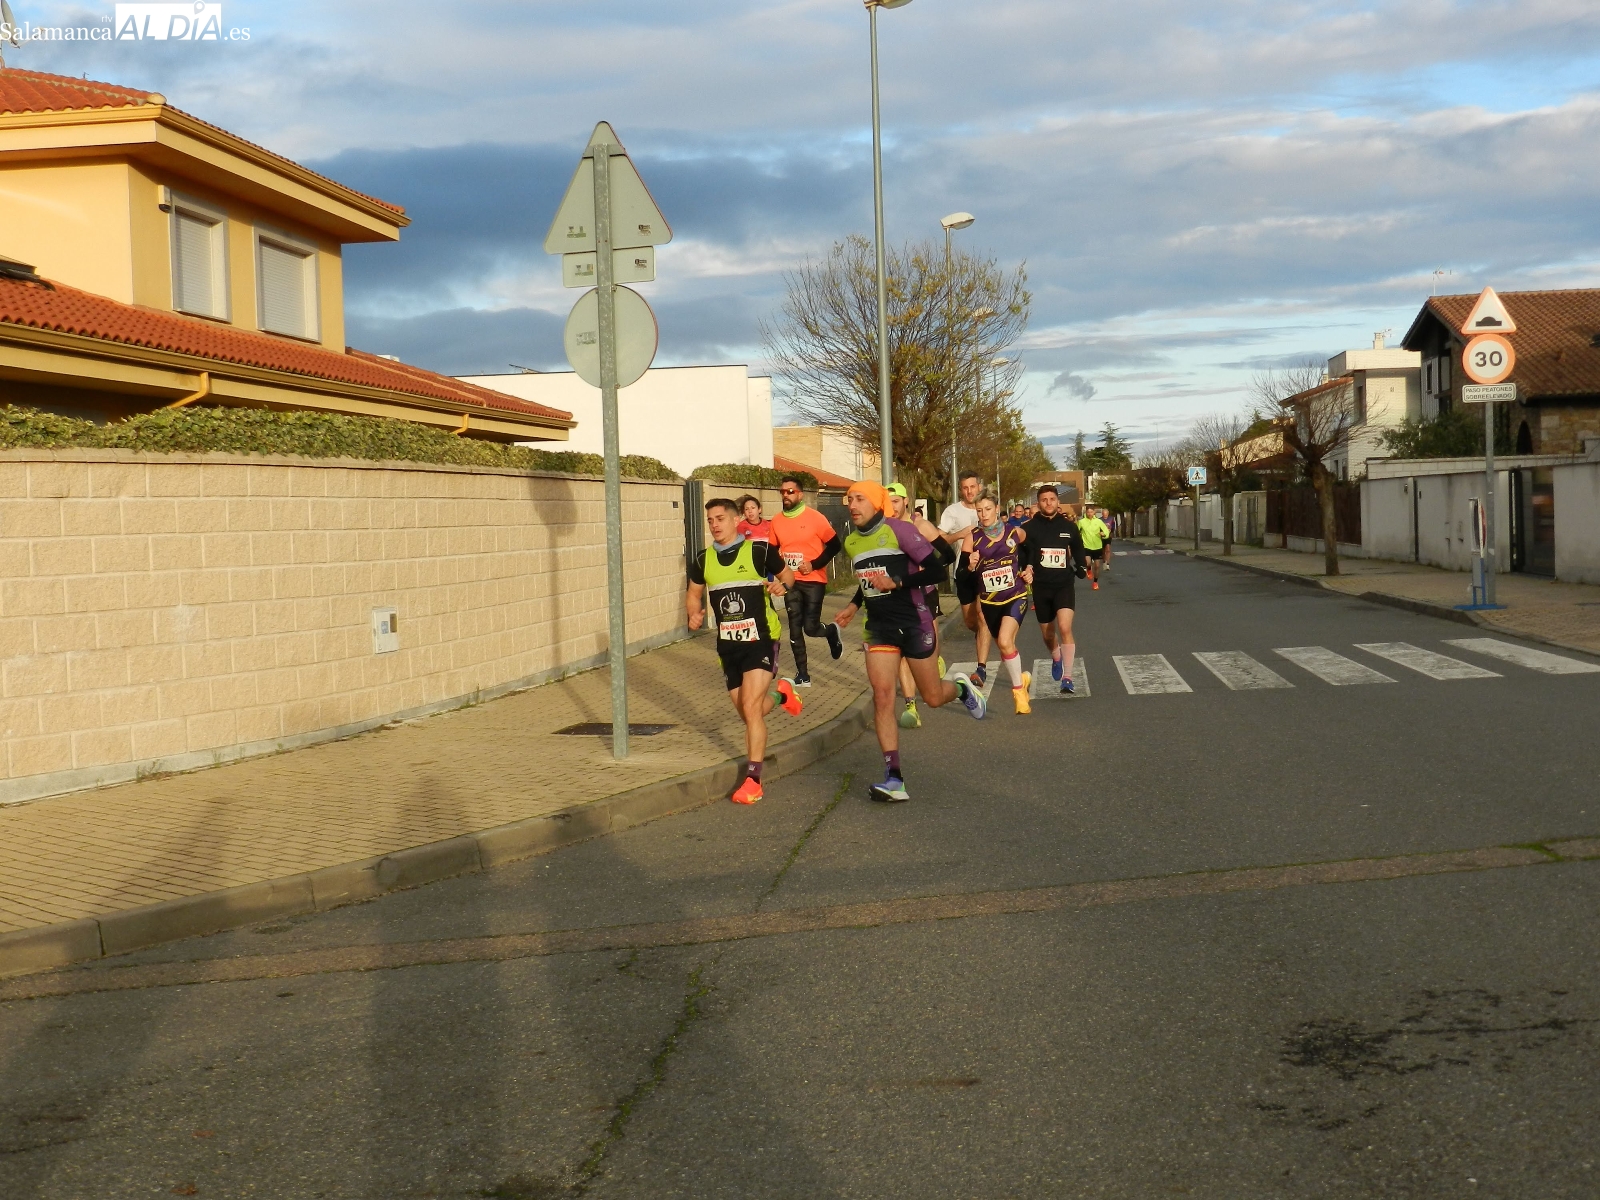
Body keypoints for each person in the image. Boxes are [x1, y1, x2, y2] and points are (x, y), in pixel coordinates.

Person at [833, 480, 984, 802]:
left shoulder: (900, 531)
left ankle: (961, 689)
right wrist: (853, 605)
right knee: (883, 697)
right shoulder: (852, 542)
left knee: (933, 696)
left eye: (859, 499)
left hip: (914, 622)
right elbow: (867, 580)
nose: (852, 505)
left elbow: (936, 571)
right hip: (878, 628)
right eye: (849, 499)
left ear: (876, 503)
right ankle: (894, 779)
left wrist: (898, 582)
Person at [686, 497, 803, 805]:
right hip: (728, 646)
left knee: (751, 708)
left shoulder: (759, 550)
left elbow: (789, 576)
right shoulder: (703, 559)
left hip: (761, 638)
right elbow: (694, 593)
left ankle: (753, 780)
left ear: (736, 519)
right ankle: (782, 695)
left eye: (720, 518)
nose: (714, 525)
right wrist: (693, 613)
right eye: (710, 520)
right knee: (748, 712)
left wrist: (781, 586)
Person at [887, 482, 954, 729]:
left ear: (906, 501)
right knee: (903, 654)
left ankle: (936, 663)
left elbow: (948, 555)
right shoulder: (884, 530)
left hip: (925, 594)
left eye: (895, 501)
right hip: (899, 597)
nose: (891, 507)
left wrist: (928, 567)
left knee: (929, 646)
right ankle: (910, 707)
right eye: (887, 502)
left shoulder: (921, 526)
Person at [961, 492, 1033, 714]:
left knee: (1004, 640)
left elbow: (1030, 550)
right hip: (990, 602)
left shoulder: (1014, 531)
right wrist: (970, 566)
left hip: (1016, 595)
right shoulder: (972, 538)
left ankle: (1019, 695)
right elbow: (962, 575)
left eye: (988, 509)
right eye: (979, 510)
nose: (983, 514)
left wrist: (1029, 569)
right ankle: (1021, 678)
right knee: (1005, 646)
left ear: (996, 508)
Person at [769, 475, 844, 687]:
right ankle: (803, 675)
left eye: (790, 491)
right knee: (794, 629)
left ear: (800, 495)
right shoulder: (776, 521)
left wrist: (814, 564)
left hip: (814, 580)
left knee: (810, 628)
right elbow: (771, 550)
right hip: (791, 582)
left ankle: (830, 631)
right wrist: (779, 570)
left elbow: (835, 545)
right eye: (782, 492)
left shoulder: (815, 518)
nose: (785, 495)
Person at [1022, 485, 1087, 694]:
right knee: (1049, 634)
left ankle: (1068, 677)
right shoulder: (1029, 528)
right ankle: (1056, 656)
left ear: (1058, 501)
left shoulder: (1068, 526)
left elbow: (1078, 548)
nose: (1048, 503)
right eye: (1044, 500)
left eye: (1052, 499)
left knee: (1065, 627)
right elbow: (1022, 554)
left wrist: (1081, 566)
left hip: (1063, 584)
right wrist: (1025, 569)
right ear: (1038, 503)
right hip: (1041, 586)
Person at [937, 472, 987, 683]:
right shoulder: (953, 511)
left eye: (972, 487)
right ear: (961, 489)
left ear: (979, 487)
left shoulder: (987, 506)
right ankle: (982, 635)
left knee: (982, 616)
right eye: (965, 488)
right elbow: (939, 539)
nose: (969, 491)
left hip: (986, 570)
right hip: (964, 570)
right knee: (971, 622)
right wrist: (961, 533)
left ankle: (981, 666)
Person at [1078, 505, 1111, 590]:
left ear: (1094, 512)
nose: (1089, 514)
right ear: (1086, 512)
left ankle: (1095, 582)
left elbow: (1106, 531)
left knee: (1097, 566)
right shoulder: (1081, 522)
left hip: (1097, 546)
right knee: (1088, 562)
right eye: (1088, 512)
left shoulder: (1099, 521)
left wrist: (1104, 534)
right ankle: (1089, 569)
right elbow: (1076, 531)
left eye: (1091, 512)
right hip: (1086, 545)